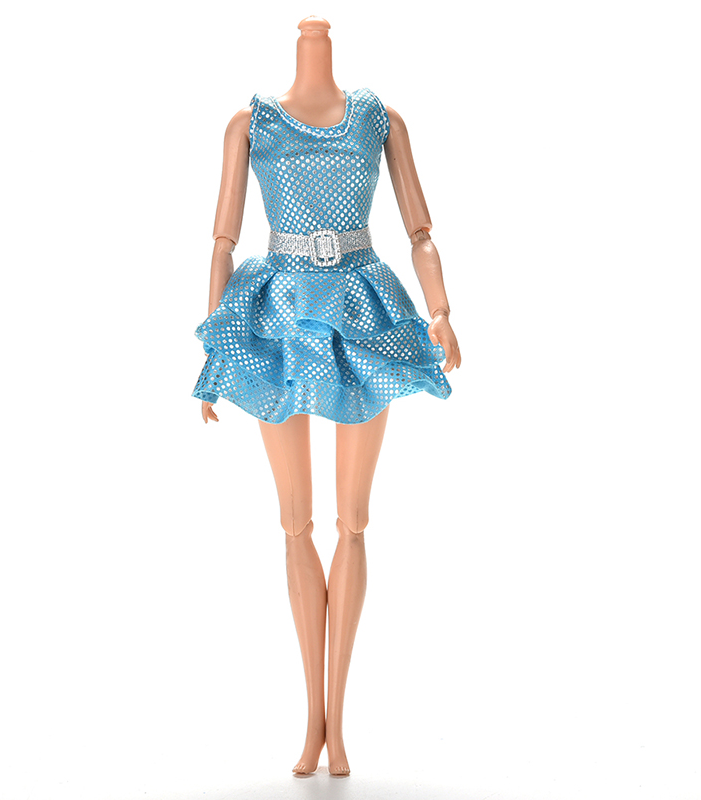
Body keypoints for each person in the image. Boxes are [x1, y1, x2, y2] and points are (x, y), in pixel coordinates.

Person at [192, 16, 461, 776]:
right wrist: (215, 344)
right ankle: (312, 722)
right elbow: (221, 239)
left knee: (354, 520)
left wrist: (441, 312)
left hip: (362, 308)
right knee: (294, 523)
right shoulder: (249, 123)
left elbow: (420, 229)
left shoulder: (380, 118)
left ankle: (336, 725)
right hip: (275, 310)